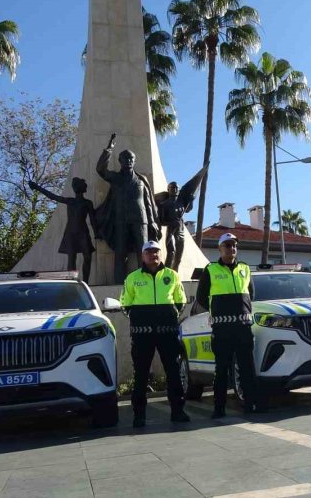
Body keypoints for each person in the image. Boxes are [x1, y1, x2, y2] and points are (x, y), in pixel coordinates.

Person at [120, 240, 190, 428]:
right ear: (143, 255)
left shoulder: (172, 275)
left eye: (156, 251)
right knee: (141, 374)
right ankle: (139, 416)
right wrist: (139, 320)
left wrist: (170, 318)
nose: (153, 255)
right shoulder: (133, 278)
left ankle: (178, 411)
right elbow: (125, 304)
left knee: (173, 373)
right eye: (149, 252)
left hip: (167, 334)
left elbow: (180, 302)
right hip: (142, 335)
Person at [196, 233, 261, 417]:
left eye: (234, 245)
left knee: (247, 368)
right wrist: (217, 310)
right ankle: (219, 408)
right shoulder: (211, 269)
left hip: (243, 328)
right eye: (227, 245)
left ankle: (251, 405)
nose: (231, 248)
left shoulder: (245, 268)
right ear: (219, 248)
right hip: (222, 330)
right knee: (222, 369)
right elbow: (202, 297)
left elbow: (250, 294)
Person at [95, 133, 160, 283]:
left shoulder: (141, 179)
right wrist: (109, 149)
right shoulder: (115, 178)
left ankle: (146, 281)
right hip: (120, 220)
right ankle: (119, 283)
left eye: (131, 158)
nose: (128, 161)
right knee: (120, 253)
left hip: (140, 219)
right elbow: (100, 170)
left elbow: (148, 202)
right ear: (120, 161)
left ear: (134, 161)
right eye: (125, 158)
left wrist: (153, 221)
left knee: (142, 251)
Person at [28, 178, 98, 282]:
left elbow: (93, 220)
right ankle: (72, 281)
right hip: (71, 233)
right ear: (79, 187)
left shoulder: (88, 203)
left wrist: (96, 233)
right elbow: (52, 196)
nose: (86, 186)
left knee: (87, 256)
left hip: (83, 232)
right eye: (84, 185)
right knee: (72, 257)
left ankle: (86, 282)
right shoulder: (70, 201)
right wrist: (37, 187)